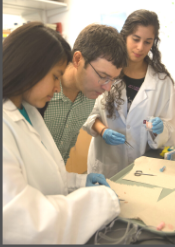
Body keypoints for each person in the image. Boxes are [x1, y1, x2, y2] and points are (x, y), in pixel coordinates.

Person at [3, 22, 120, 244]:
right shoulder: (21, 113)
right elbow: (25, 222)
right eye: (55, 76)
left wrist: (75, 182)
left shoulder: (27, 111)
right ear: (30, 67)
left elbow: (41, 172)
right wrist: (102, 201)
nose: (57, 87)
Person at [82, 9, 175, 178]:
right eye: (136, 39)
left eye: (148, 42)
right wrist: (103, 130)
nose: (140, 47)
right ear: (125, 36)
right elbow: (86, 112)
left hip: (145, 167)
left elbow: (170, 128)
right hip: (106, 164)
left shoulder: (162, 82)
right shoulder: (105, 70)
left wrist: (160, 129)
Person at [39, 24, 127, 164]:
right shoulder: (42, 92)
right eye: (102, 76)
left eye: (112, 79)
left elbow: (63, 154)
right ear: (78, 59)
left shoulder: (89, 97)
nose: (108, 87)